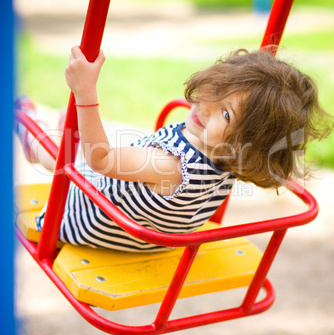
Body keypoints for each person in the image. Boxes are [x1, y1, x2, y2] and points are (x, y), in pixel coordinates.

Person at [15, 47, 332, 251]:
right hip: (145, 236)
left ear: (244, 143)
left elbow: (102, 158)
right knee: (96, 145)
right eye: (217, 89)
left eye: (226, 114)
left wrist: (85, 91)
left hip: (83, 219)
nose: (206, 105)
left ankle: (33, 134)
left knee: (63, 156)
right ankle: (66, 128)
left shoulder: (170, 165)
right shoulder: (230, 159)